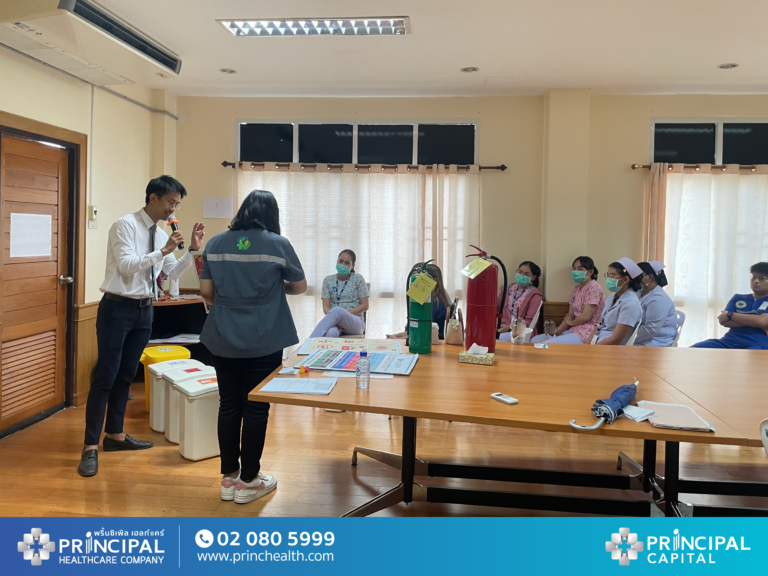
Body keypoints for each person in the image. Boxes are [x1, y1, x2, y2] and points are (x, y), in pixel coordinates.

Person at [78, 176, 205, 477]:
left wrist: (191, 251)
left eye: (177, 204)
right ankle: (89, 446)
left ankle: (115, 435)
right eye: (170, 202)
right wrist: (163, 251)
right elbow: (126, 266)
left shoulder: (161, 233)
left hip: (145, 310)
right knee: (106, 375)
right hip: (117, 308)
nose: (173, 209)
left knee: (126, 374)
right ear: (153, 198)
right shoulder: (124, 225)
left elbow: (171, 272)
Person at [199, 190, 307, 504]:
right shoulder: (278, 244)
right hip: (264, 337)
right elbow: (299, 286)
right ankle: (249, 481)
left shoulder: (215, 244)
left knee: (228, 404)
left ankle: (229, 478)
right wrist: (271, 290)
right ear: (272, 215)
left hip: (223, 336)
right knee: (256, 407)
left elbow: (207, 292)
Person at [691, 262, 768, 350]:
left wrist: (730, 315)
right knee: (694, 350)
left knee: (750, 357)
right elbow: (723, 320)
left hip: (756, 343)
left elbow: (762, 321)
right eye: (754, 277)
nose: (756, 281)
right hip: (729, 341)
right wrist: (755, 321)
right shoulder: (738, 298)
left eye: (762, 278)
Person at [531, 256, 605, 344]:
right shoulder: (576, 289)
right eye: (574, 269)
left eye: (580, 269)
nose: (576, 271)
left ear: (590, 272)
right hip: (574, 329)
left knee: (547, 345)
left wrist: (571, 323)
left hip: (587, 332)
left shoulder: (593, 287)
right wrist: (558, 330)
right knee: (534, 340)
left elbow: (585, 317)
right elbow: (570, 315)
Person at [309, 250, 369, 338]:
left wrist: (341, 316)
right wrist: (337, 319)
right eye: (340, 261)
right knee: (331, 332)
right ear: (337, 261)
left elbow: (365, 306)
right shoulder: (328, 280)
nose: (343, 265)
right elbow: (326, 306)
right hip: (335, 321)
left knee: (337, 311)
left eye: (347, 263)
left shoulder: (358, 279)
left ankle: (310, 342)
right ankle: (324, 348)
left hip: (355, 323)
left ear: (352, 266)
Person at [595, 258, 643, 345]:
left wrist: (592, 349)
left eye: (612, 276)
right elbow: (598, 326)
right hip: (598, 342)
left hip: (611, 348)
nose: (608, 279)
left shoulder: (630, 304)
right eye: (607, 275)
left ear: (625, 279)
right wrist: (587, 346)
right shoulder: (611, 298)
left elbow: (615, 340)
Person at [634, 261, 678, 347]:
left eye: (637, 276)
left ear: (650, 277)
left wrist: (625, 337)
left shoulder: (658, 299)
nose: (634, 280)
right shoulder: (640, 294)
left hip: (656, 342)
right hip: (642, 338)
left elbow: (651, 330)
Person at [498, 261, 543, 341]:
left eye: (526, 274)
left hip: (522, 332)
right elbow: (496, 308)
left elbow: (530, 321)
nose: (521, 275)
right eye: (520, 272)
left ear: (533, 277)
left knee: (499, 339)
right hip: (502, 327)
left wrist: (509, 327)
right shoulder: (507, 288)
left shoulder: (535, 295)